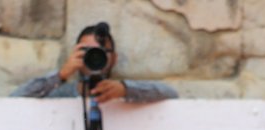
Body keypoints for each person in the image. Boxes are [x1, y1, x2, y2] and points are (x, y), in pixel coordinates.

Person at [11, 22, 178, 103]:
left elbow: (170, 94)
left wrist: (125, 89)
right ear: (75, 54)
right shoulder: (62, 94)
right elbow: (13, 102)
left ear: (114, 58)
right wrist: (60, 75)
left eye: (101, 51)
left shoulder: (125, 94)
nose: (94, 56)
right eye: (87, 51)